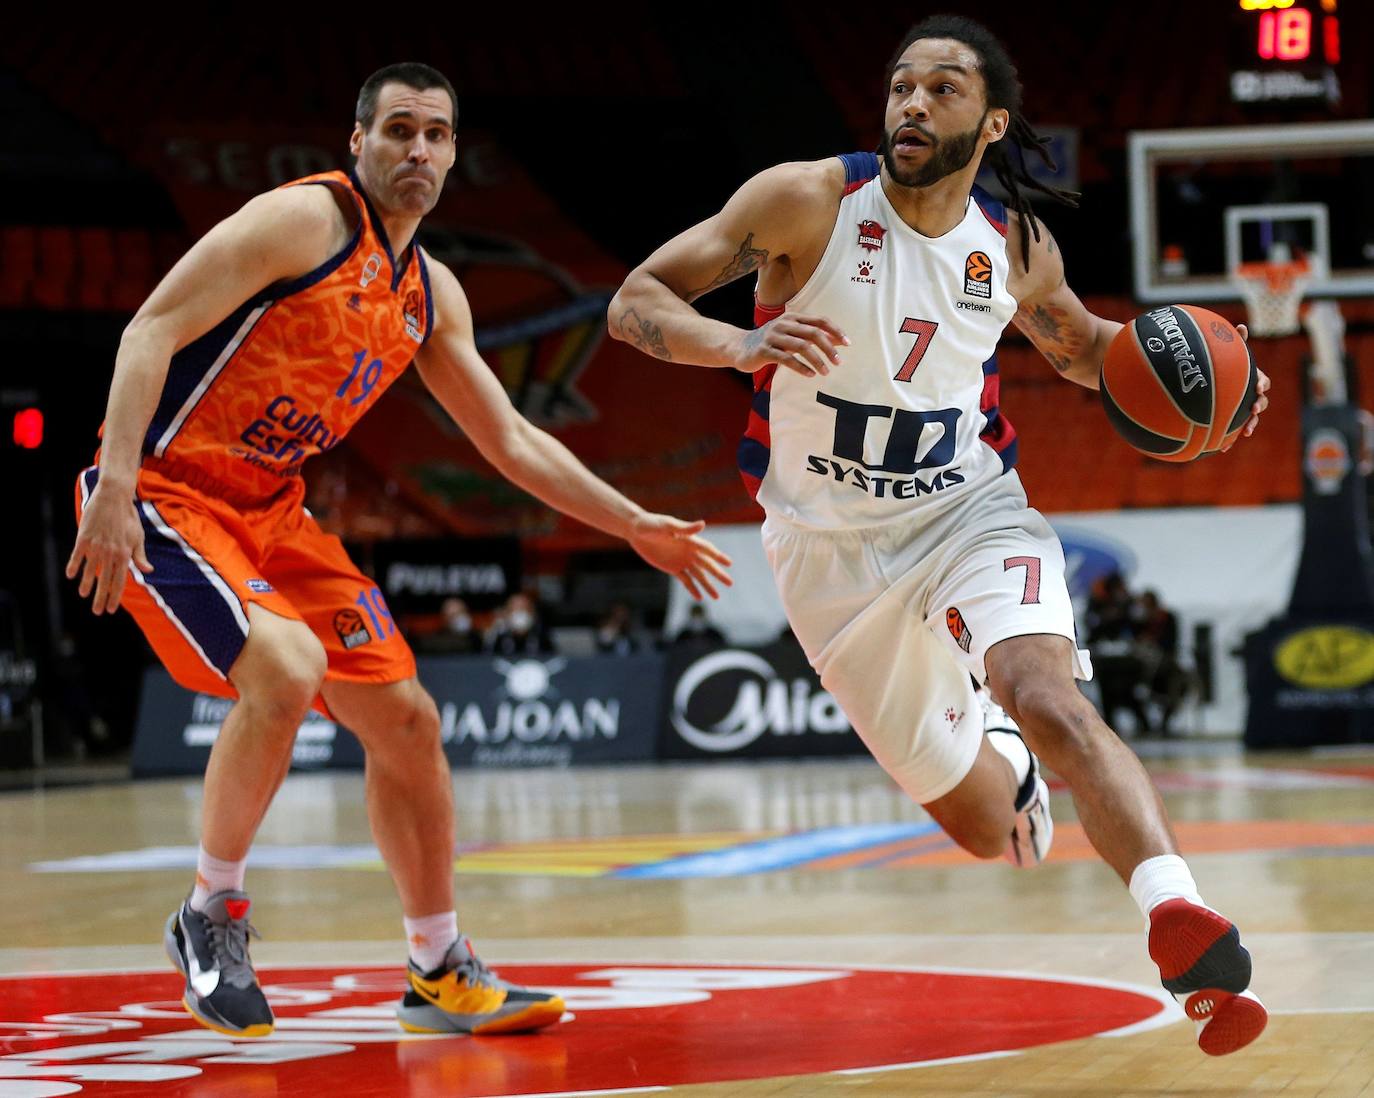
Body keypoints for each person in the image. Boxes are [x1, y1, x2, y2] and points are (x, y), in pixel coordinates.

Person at [608, 15, 1270, 1055]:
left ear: (993, 121)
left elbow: (1095, 354)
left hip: (967, 509)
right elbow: (635, 303)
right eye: (901, 86)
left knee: (1048, 689)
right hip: (826, 551)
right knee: (982, 830)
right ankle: (1003, 750)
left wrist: (1221, 387)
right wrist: (737, 339)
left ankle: (1178, 915)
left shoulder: (1009, 249)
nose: (912, 104)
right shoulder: (808, 200)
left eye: (944, 90)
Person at [66, 62, 732, 1040]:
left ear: (455, 155)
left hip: (273, 512)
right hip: (165, 491)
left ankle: (436, 967)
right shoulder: (304, 223)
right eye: (399, 130)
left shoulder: (430, 293)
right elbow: (151, 327)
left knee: (409, 722)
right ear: (359, 142)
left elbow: (510, 440)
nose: (417, 149)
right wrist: (115, 483)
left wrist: (631, 523)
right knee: (287, 669)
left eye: (436, 135)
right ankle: (209, 914)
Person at [486, 591, 555, 656]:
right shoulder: (498, 638)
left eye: (523, 609)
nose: (519, 613)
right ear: (506, 614)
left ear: (532, 613)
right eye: (515, 609)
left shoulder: (542, 637)